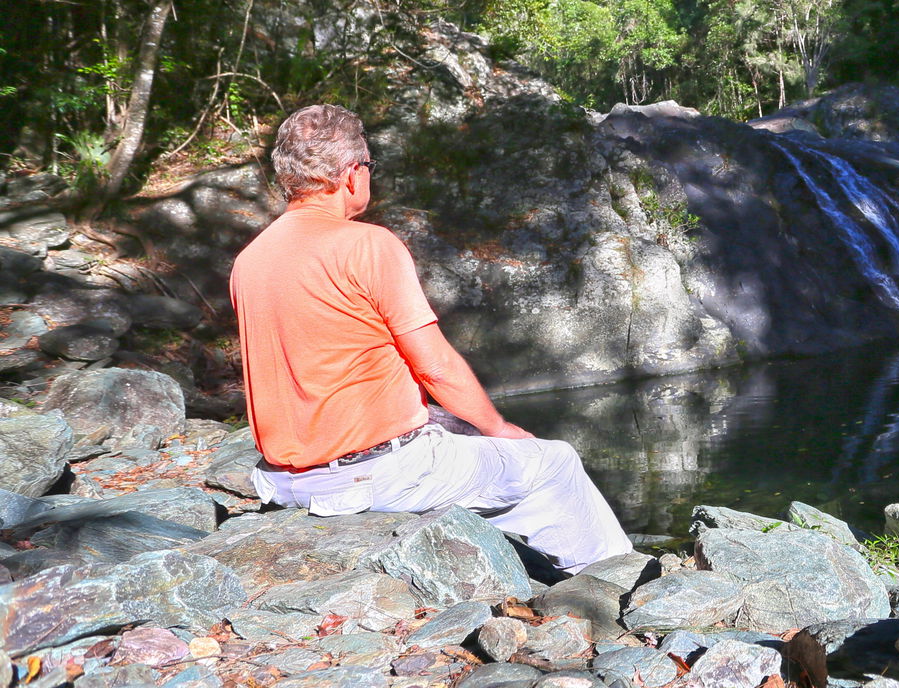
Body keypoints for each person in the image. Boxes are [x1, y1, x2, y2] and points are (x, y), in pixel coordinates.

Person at [230, 103, 632, 572]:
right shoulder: (366, 245)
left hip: (284, 480)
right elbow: (434, 365)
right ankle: (612, 585)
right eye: (369, 167)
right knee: (552, 462)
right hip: (371, 478)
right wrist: (499, 428)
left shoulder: (250, 260)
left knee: (447, 424)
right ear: (350, 174)